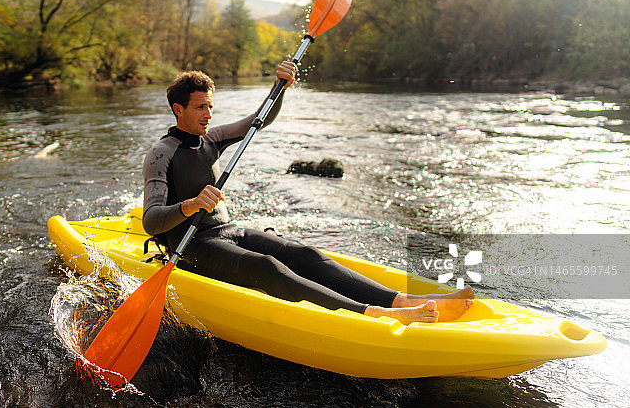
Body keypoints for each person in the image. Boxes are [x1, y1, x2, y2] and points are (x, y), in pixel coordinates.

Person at [142, 61, 473, 324]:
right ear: (178, 109)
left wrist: (279, 87)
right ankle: (372, 313)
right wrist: (190, 205)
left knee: (305, 255)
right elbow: (151, 221)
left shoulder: (211, 139)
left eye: (210, 107)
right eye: (200, 108)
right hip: (192, 246)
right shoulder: (161, 154)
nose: (208, 115)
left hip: (228, 231)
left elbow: (260, 119)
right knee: (267, 267)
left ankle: (401, 300)